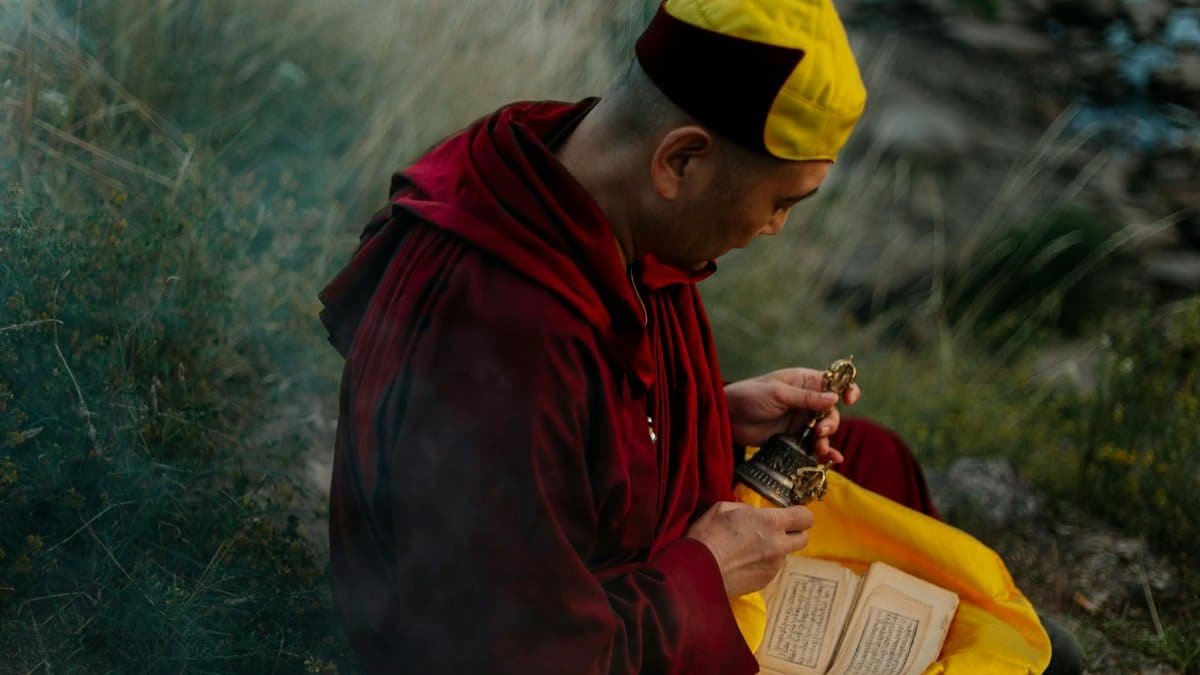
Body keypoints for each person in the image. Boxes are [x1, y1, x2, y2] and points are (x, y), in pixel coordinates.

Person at [316, 0, 976, 672]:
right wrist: (707, 570)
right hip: (551, 635)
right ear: (681, 160)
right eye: (780, 201)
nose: (775, 226)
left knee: (876, 461)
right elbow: (519, 650)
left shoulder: (581, 172)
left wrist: (715, 411)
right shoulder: (502, 332)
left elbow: (573, 435)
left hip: (620, 570)